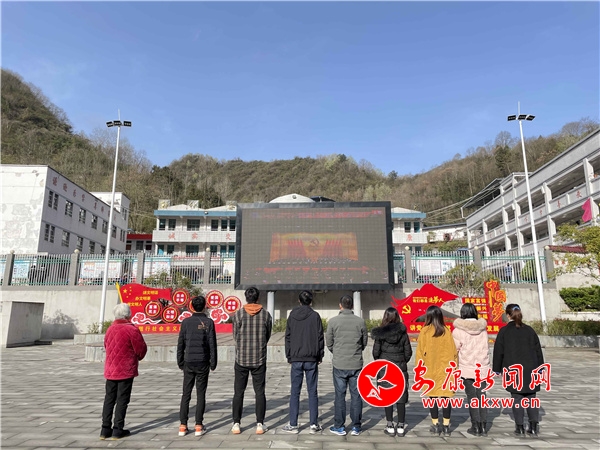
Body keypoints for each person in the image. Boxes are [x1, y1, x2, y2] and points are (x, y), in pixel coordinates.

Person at [493, 304, 544, 438]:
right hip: (531, 369)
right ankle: (533, 426)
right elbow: (538, 351)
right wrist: (540, 368)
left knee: (517, 398)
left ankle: (519, 427)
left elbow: (498, 352)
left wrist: (497, 369)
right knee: (531, 397)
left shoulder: (504, 332)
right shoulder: (529, 330)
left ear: (507, 315)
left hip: (513, 370)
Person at [100, 303, 147, 440]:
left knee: (109, 399)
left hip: (111, 369)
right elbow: (141, 349)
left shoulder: (110, 329)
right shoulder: (132, 329)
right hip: (125, 369)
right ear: (128, 314)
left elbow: (106, 346)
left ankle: (104, 429)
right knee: (122, 400)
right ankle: (117, 429)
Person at [231, 287, 273, 435]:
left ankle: (236, 424)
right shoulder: (266, 315)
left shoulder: (238, 314)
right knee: (260, 392)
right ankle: (260, 424)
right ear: (258, 298)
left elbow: (235, 336)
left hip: (241, 359)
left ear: (246, 297)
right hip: (259, 359)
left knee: (238, 392)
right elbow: (268, 335)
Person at [282, 290, 324, 434]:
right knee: (312, 391)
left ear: (299, 301)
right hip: (311, 358)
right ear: (311, 301)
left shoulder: (292, 315)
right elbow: (320, 337)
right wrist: (320, 355)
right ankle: (313, 424)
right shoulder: (315, 316)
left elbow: (288, 337)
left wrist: (289, 356)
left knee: (295, 392)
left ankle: (293, 424)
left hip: (296, 358)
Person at [326, 295, 368, 436]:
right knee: (356, 395)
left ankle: (339, 426)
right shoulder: (360, 321)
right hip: (356, 363)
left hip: (339, 364)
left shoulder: (333, 321)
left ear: (340, 305)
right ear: (352, 306)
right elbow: (364, 342)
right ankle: (356, 426)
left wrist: (336, 352)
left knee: (340, 395)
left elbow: (329, 342)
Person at [177, 295, 217, 437]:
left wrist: (180, 361)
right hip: (202, 362)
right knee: (201, 394)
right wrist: (213, 362)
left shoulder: (186, 322)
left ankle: (183, 425)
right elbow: (212, 344)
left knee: (186, 394)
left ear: (192, 307)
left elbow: (181, 343)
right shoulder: (208, 322)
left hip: (188, 361)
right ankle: (199, 425)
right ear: (205, 306)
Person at [415, 305, 458, 437]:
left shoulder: (425, 331)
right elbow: (454, 352)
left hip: (430, 369)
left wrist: (419, 370)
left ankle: (435, 424)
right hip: (446, 370)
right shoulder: (446, 331)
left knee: (432, 397)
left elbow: (420, 353)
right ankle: (446, 426)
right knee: (446, 397)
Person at [371, 307, 412, 437]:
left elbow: (375, 353)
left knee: (388, 396)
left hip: (385, 368)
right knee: (401, 397)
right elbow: (408, 353)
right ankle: (401, 426)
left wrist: (382, 362)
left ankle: (390, 425)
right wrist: (401, 361)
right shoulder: (403, 333)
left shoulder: (380, 334)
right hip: (400, 368)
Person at [452, 303, 491, 437]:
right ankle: (483, 426)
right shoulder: (483, 330)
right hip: (482, 368)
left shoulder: (458, 331)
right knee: (482, 396)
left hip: (467, 368)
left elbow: (454, 350)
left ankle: (475, 426)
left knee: (472, 397)